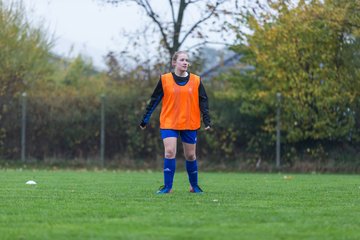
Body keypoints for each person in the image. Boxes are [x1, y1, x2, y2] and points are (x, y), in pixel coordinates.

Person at [140, 51, 211, 194]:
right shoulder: (165, 79)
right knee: (170, 152)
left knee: (190, 156)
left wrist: (206, 119)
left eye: (187, 60)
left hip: (189, 122)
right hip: (169, 122)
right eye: (182, 60)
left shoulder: (196, 80)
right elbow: (154, 100)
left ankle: (194, 186)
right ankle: (167, 187)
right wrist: (145, 118)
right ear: (174, 63)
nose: (185, 62)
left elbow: (203, 100)